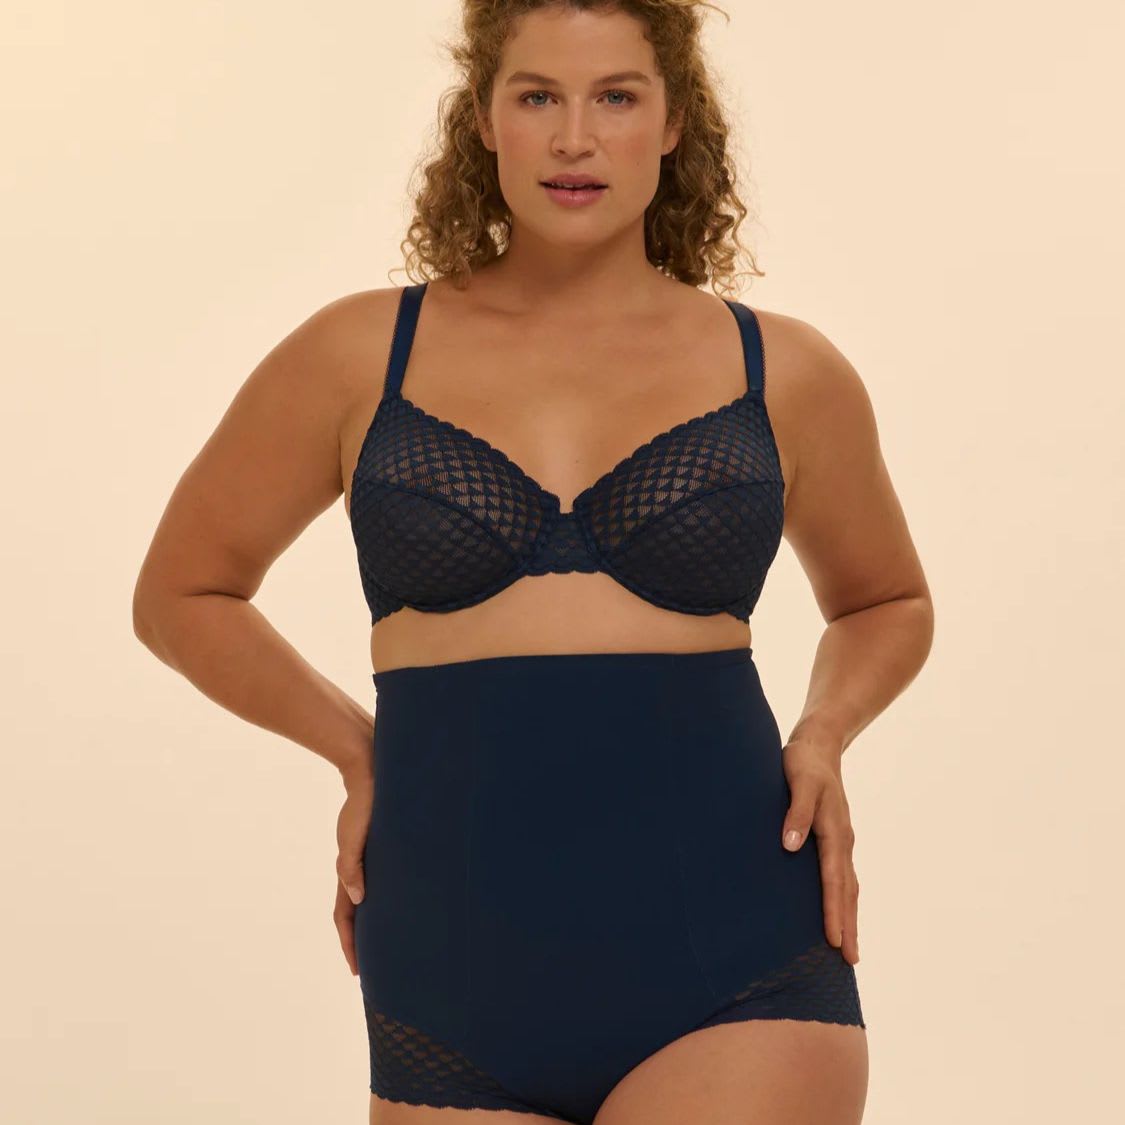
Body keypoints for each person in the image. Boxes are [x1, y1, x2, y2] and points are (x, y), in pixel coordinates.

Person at [132, 2, 934, 1123]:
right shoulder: (358, 355)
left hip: (736, 948)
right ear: (483, 120)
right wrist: (359, 750)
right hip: (452, 969)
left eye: (616, 97)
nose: (574, 138)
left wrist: (825, 733)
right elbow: (182, 593)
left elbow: (885, 599)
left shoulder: (782, 370)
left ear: (673, 123)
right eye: (537, 96)